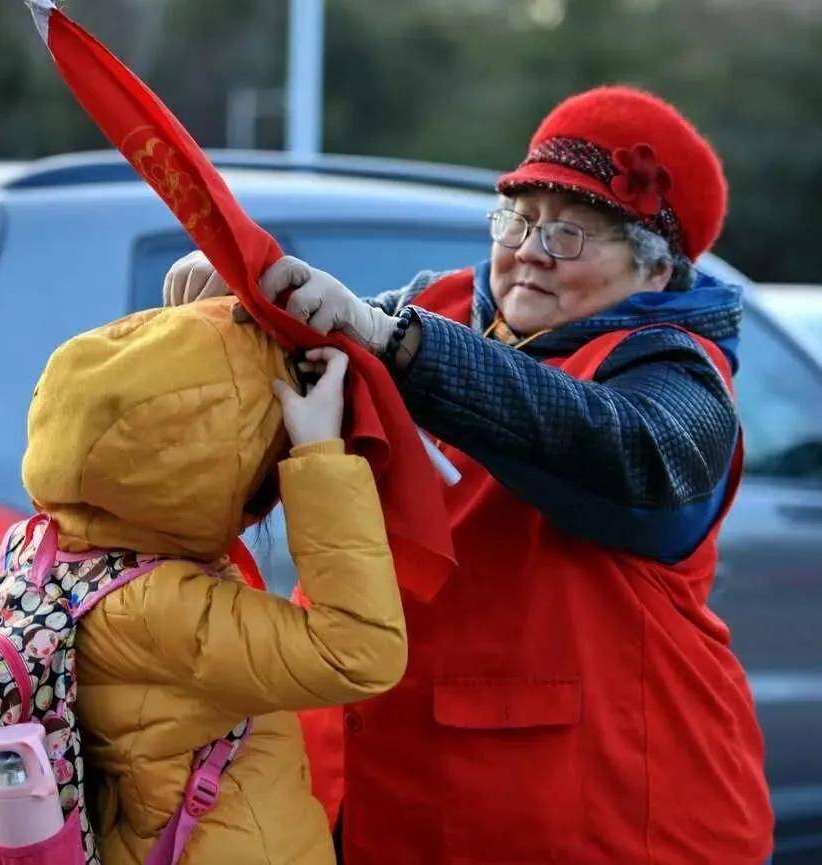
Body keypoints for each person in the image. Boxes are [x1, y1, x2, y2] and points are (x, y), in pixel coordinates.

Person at [163, 86, 774, 864]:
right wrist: (232, 311)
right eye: (517, 221)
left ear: (654, 273)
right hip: (370, 793)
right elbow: (294, 373)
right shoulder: (433, 308)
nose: (528, 252)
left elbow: (634, 448)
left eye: (570, 235)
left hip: (605, 819)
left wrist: (397, 346)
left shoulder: (678, 370)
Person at [21, 298, 406, 864]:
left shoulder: (42, 548)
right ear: (187, 466)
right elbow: (359, 649)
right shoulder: (155, 606)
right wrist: (318, 452)